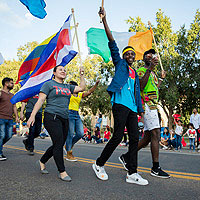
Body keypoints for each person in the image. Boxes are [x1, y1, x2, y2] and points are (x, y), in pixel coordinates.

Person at [92, 8, 148, 185]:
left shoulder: (134, 73)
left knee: (134, 139)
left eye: (132, 54)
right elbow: (112, 42)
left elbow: (139, 91)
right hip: (120, 105)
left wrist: (141, 110)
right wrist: (105, 20)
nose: (130, 55)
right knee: (117, 136)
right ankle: (99, 164)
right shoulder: (120, 64)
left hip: (132, 108)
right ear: (124, 56)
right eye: (127, 54)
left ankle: (132, 172)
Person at [27, 65, 85, 181]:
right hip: (51, 116)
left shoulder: (68, 86)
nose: (63, 71)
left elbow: (82, 88)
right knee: (58, 143)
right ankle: (62, 171)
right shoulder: (49, 84)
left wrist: (82, 75)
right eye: (60, 70)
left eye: (64, 70)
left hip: (65, 118)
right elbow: (41, 100)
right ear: (54, 73)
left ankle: (42, 161)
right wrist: (32, 115)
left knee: (57, 145)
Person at [121, 49, 170, 178]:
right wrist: (150, 68)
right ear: (144, 59)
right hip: (146, 105)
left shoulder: (152, 74)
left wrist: (161, 79)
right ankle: (155, 167)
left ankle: (126, 157)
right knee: (156, 133)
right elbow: (141, 86)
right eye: (147, 55)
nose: (151, 56)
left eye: (152, 55)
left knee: (148, 137)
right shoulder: (142, 71)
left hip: (153, 105)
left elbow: (155, 87)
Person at [65, 80, 100, 161]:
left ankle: (68, 145)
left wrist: (96, 84)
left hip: (76, 114)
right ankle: (69, 153)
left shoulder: (80, 94)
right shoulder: (68, 94)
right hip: (69, 113)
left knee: (80, 133)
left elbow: (89, 91)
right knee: (70, 134)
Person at [0, 77, 19, 161]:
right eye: (11, 83)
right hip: (1, 118)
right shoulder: (0, 93)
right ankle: (0, 154)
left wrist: (17, 117)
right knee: (2, 135)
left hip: (10, 118)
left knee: (9, 136)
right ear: (6, 84)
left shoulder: (12, 95)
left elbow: (14, 106)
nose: (13, 84)